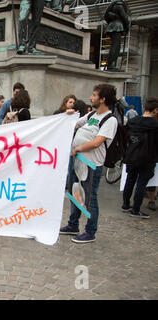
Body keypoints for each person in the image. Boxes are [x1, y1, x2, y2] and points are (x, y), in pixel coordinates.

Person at [60, 84, 119, 243]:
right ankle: (73, 225)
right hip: (78, 160)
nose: (91, 98)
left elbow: (96, 142)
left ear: (103, 99)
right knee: (75, 193)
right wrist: (67, 115)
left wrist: (78, 148)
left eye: (94, 95)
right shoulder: (92, 114)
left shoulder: (110, 119)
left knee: (89, 198)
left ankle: (90, 231)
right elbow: (75, 124)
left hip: (91, 164)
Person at [122, 98, 158, 218]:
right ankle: (136, 210)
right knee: (142, 183)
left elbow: (126, 137)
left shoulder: (132, 121)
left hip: (131, 154)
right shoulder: (155, 124)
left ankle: (126, 205)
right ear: (155, 110)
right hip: (147, 157)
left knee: (130, 180)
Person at [103, 0, 129, 71]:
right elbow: (125, 17)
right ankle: (111, 65)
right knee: (115, 46)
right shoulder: (119, 5)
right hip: (117, 27)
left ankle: (111, 64)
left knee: (116, 46)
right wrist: (127, 27)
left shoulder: (113, 5)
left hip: (114, 26)